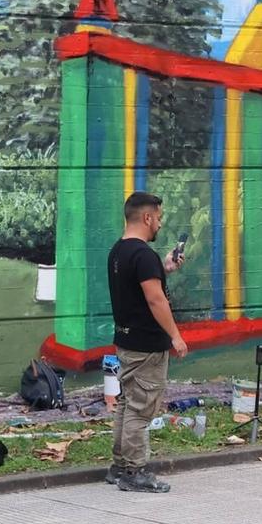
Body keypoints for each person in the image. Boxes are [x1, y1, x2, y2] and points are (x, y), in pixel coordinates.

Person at [105, 190, 188, 493]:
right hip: (146, 347)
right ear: (147, 217)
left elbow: (140, 287)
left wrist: (164, 268)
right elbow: (155, 300)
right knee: (141, 410)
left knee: (128, 405)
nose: (161, 225)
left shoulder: (119, 251)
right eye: (159, 218)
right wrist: (175, 336)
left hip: (127, 342)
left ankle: (118, 467)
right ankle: (135, 472)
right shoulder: (143, 255)